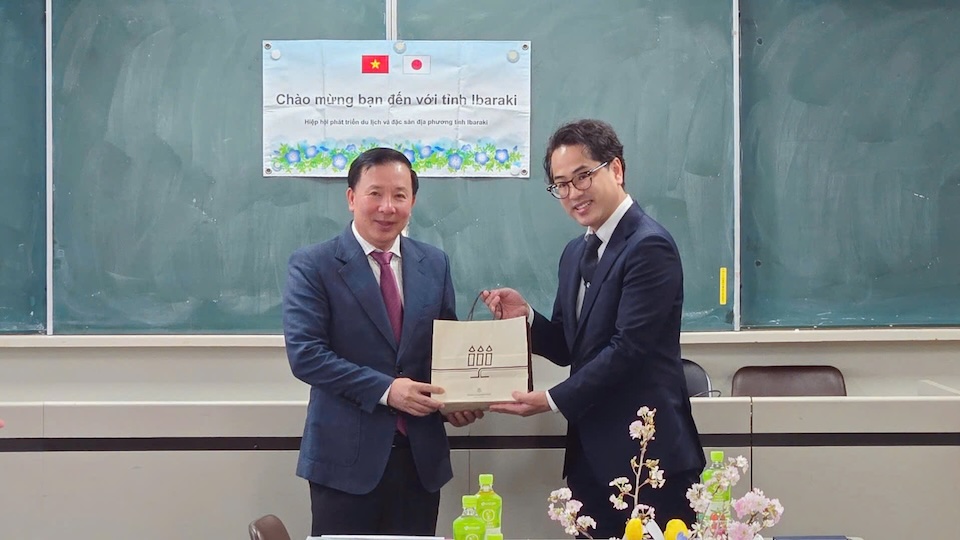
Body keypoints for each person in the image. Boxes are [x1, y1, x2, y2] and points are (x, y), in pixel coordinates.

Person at [481, 119, 704, 537]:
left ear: (615, 169)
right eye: (561, 185)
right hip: (590, 457)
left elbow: (629, 349)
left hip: (648, 462)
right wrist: (526, 318)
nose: (572, 194)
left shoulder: (648, 245)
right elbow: (571, 347)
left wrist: (549, 399)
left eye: (583, 176)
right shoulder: (575, 252)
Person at [283, 147, 483, 536]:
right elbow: (306, 355)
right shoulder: (313, 265)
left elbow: (443, 349)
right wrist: (387, 390)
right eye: (375, 193)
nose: (387, 207)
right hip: (345, 463)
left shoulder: (434, 263)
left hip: (420, 461)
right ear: (351, 197)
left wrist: (457, 399)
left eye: (399, 195)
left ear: (413, 201)